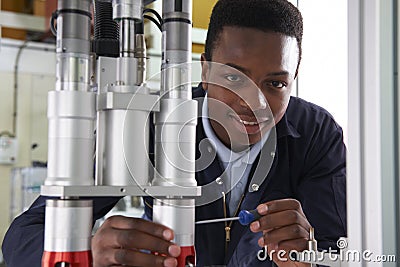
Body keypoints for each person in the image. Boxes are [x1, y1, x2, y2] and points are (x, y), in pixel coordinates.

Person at [2, 0, 347, 266]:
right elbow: (21, 236)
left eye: (275, 84)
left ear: (293, 82)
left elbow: (339, 250)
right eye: (232, 77)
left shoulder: (318, 135)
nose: (251, 102)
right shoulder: (150, 125)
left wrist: (312, 251)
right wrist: (87, 251)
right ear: (203, 69)